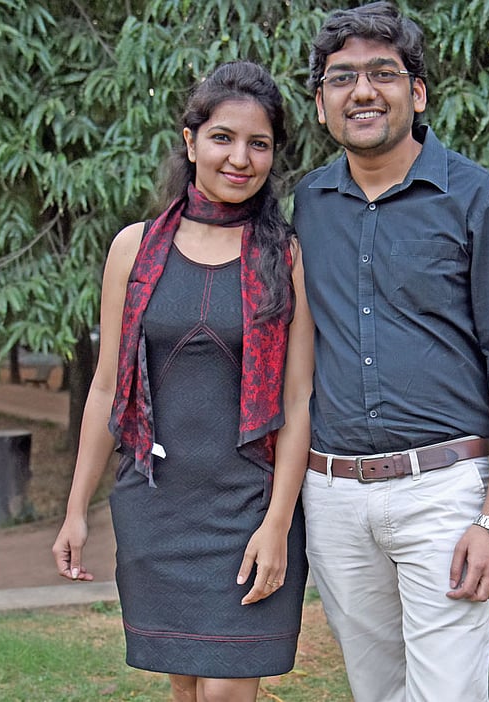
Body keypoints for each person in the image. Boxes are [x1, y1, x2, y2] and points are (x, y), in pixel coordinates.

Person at [292, 4, 489, 701]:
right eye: (342, 78)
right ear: (321, 104)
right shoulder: (305, 205)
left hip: (444, 491)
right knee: (376, 692)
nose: (363, 91)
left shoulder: (480, 199)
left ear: (419, 92)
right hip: (335, 495)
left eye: (383, 73)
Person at [52, 61, 313, 702]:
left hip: (249, 510)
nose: (240, 158)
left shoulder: (286, 255)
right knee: (186, 688)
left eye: (259, 143)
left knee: (226, 690)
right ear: (191, 140)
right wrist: (75, 510)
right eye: (223, 137)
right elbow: (109, 387)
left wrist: (278, 522)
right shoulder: (134, 249)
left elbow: (298, 397)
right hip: (157, 504)